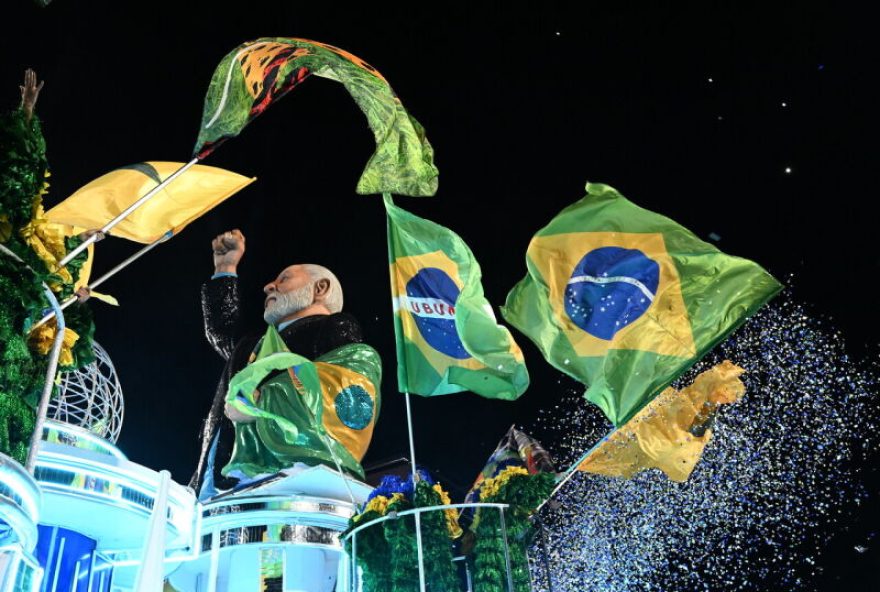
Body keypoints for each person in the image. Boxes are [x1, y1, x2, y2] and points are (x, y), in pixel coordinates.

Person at [189, 229, 369, 494]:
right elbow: (222, 332)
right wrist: (225, 267)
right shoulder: (253, 345)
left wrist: (263, 403)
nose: (269, 286)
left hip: (284, 479)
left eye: (284, 278)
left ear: (320, 288)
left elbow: (343, 390)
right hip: (214, 477)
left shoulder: (333, 327)